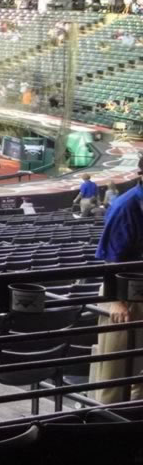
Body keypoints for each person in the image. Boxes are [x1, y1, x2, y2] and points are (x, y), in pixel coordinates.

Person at [92, 157, 143, 403]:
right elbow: (111, 258)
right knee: (115, 373)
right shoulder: (126, 205)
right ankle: (107, 426)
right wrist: (116, 301)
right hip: (123, 296)